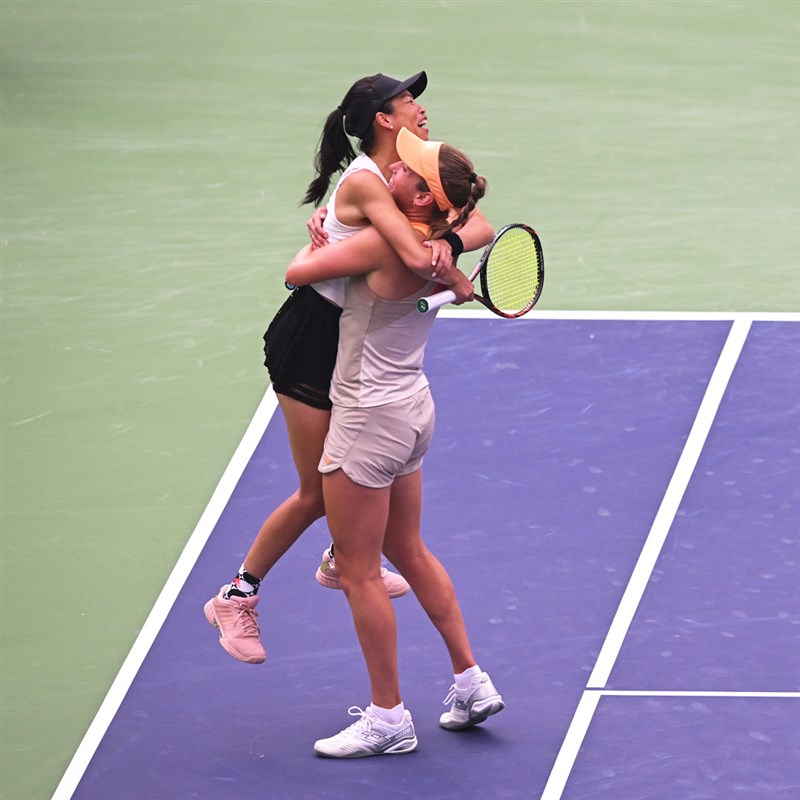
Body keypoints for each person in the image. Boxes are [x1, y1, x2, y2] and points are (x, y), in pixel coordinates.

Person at [204, 72, 495, 665]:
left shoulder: (410, 174)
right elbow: (409, 254)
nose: (420, 109)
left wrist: (453, 244)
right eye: (407, 101)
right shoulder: (370, 183)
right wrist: (448, 263)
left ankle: (342, 559)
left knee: (349, 478)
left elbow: (480, 221)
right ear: (384, 120)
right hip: (311, 340)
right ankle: (236, 596)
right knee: (316, 490)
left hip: (352, 346)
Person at [285, 127, 504, 758]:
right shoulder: (441, 251)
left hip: (366, 421)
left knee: (359, 573)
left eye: (406, 174)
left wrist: (320, 238)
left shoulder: (386, 246)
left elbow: (298, 274)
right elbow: (471, 231)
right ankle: (470, 681)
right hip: (412, 411)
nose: (393, 174)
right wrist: (455, 269)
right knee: (406, 547)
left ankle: (388, 717)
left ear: (422, 198)